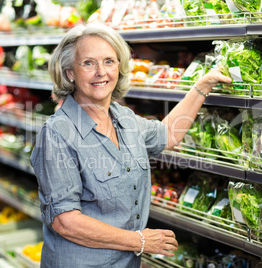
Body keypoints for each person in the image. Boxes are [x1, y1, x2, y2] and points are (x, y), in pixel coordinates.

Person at [30, 22, 232, 268]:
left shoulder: (123, 118)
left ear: (120, 67)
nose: (101, 72)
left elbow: (169, 133)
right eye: (88, 63)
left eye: (109, 61)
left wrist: (202, 86)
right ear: (70, 72)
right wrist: (139, 241)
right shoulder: (57, 133)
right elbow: (65, 221)